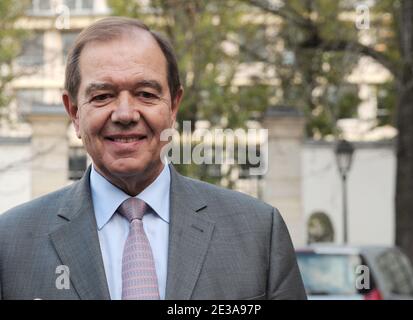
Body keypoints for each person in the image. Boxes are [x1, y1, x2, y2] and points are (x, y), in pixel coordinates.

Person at [0, 17, 306, 300]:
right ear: (74, 113)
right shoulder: (10, 243)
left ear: (173, 106)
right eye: (102, 96)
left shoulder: (257, 233)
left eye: (145, 93)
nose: (125, 114)